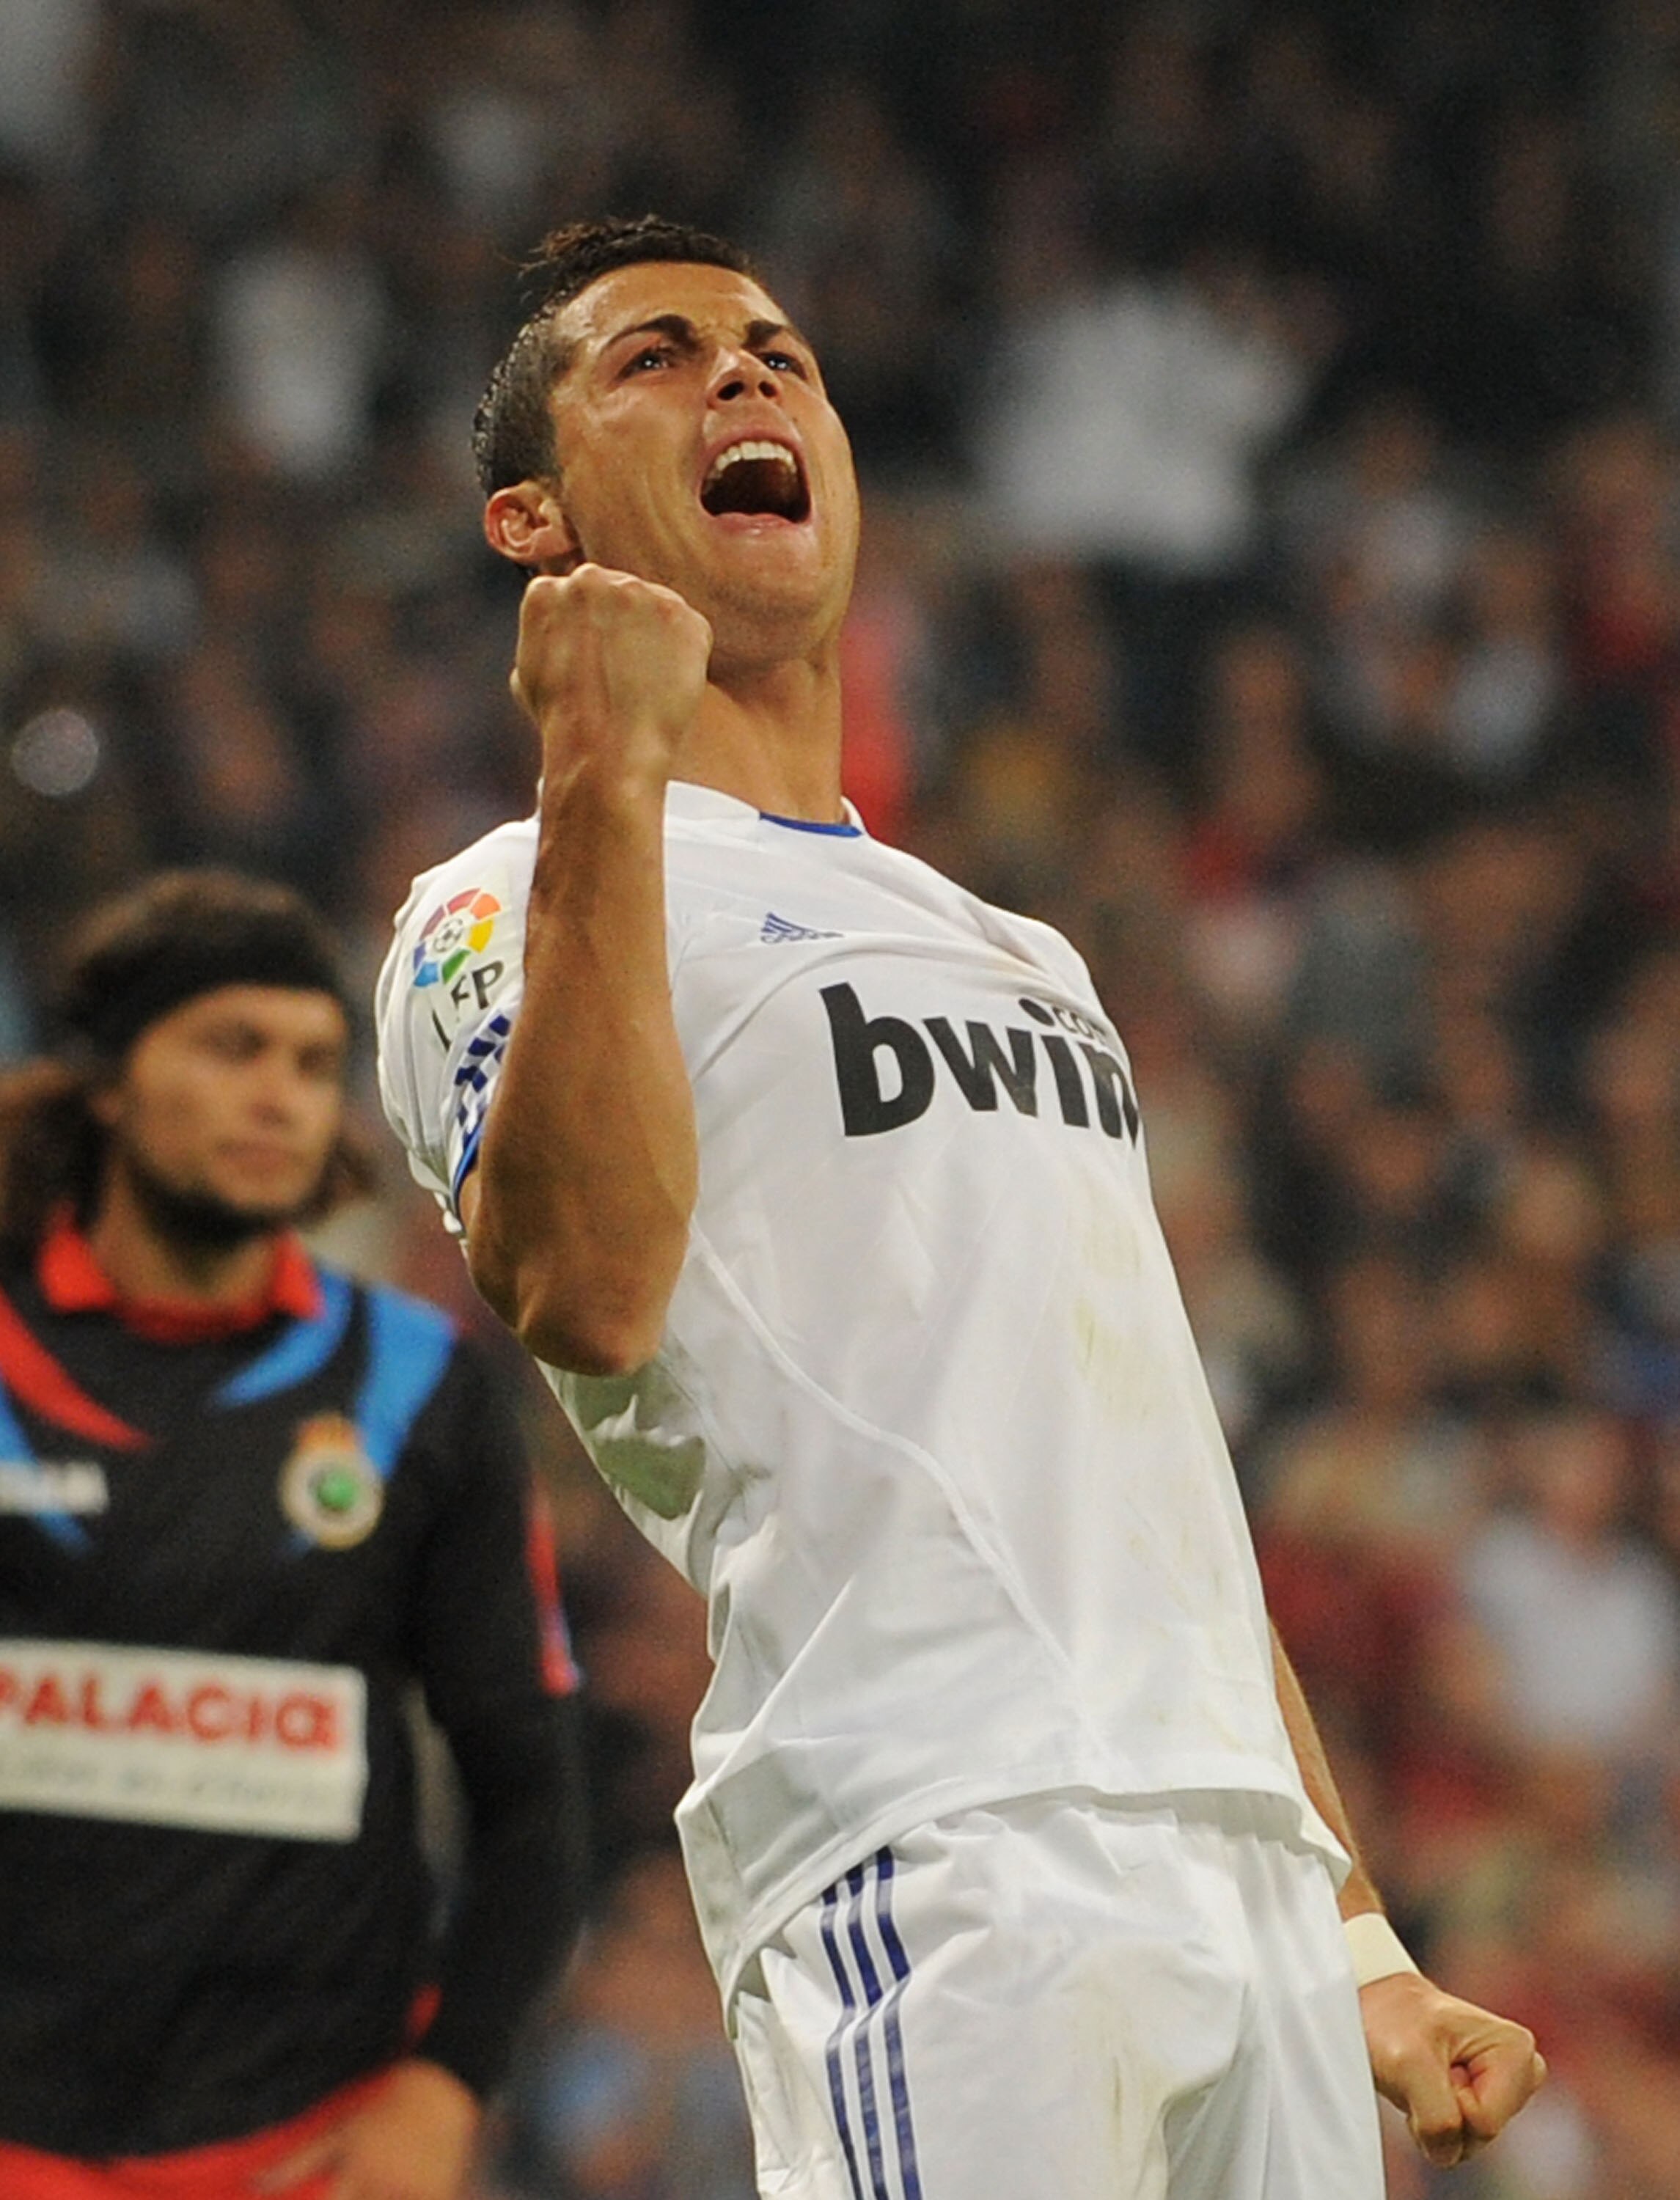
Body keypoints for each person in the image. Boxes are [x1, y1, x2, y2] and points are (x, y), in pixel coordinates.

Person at [375, 214, 1546, 2199]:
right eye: (653, 359)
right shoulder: (500, 901)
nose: (745, 376)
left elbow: (1149, 1477)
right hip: (931, 1846)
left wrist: (1354, 1937)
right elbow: (575, 1282)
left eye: (778, 352)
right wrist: (596, 757)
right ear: (528, 517)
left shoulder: (1021, 953)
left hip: (1242, 1894)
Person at [0, 869, 587, 2200]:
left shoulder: (417, 1393)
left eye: (316, 1063)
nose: (278, 1094)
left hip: (304, 2147)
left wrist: (447, 2089)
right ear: (105, 1082)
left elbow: (529, 1799)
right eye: (230, 1047)